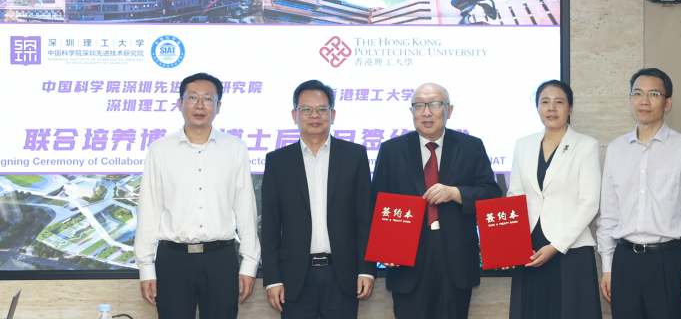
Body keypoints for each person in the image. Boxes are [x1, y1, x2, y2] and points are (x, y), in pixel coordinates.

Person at [135, 73, 260, 319]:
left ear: (219, 106)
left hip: (220, 259)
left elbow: (245, 209)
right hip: (173, 261)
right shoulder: (160, 149)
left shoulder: (235, 148)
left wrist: (249, 264)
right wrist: (146, 268)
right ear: (180, 103)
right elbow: (149, 210)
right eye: (192, 98)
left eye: (208, 99)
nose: (200, 105)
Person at [371, 82, 501, 319]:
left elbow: (491, 194)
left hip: (456, 258)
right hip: (406, 261)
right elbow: (377, 202)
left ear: (449, 110)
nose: (426, 112)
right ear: (412, 112)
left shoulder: (471, 147)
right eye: (419, 105)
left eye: (434, 104)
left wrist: (456, 193)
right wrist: (384, 247)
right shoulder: (391, 150)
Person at [261, 80, 376, 318]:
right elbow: (271, 225)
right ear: (295, 114)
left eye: (322, 109)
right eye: (306, 109)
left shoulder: (355, 156)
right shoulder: (277, 161)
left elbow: (365, 218)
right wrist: (272, 279)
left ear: (332, 114)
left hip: (343, 275)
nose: (314, 115)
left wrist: (366, 270)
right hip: (294, 278)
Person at [597, 68, 681, 319]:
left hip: (670, 262)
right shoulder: (616, 149)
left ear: (668, 103)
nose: (644, 101)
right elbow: (609, 213)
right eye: (638, 93)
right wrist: (608, 266)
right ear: (630, 99)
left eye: (653, 94)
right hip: (625, 261)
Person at [505, 80, 602, 319]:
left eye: (559, 102)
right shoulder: (523, 145)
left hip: (569, 248)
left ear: (570, 108)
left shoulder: (586, 145)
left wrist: (556, 246)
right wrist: (510, 245)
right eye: (544, 102)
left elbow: (589, 203)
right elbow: (515, 195)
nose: (551, 108)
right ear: (537, 108)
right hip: (528, 247)